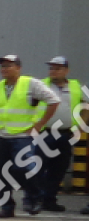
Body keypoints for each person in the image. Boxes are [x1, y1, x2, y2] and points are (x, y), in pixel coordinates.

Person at [0, 53, 58, 218]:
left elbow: (53, 101)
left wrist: (39, 124)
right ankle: (6, 206)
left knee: (24, 167)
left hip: (22, 135)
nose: (4, 69)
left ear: (18, 68)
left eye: (8, 66)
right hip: (0, 135)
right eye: (2, 66)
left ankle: (34, 196)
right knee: (1, 172)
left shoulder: (31, 84)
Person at [38, 56, 86, 212]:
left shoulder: (76, 86)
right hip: (43, 133)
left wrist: (80, 126)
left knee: (58, 168)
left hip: (65, 134)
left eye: (57, 68)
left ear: (66, 71)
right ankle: (34, 199)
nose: (53, 71)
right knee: (37, 167)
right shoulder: (40, 85)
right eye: (51, 68)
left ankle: (49, 200)